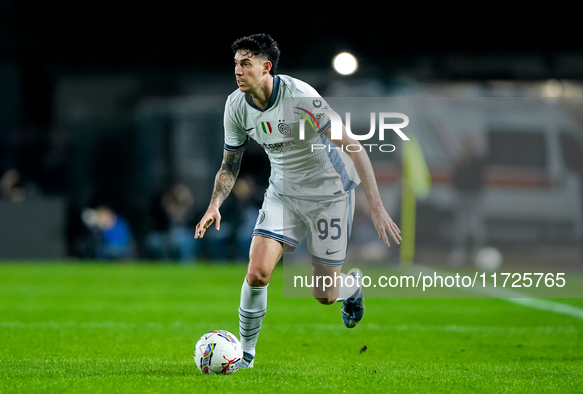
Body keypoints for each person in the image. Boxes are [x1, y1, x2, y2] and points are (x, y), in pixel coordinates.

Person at [194, 33, 401, 368]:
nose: (238, 70)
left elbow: (354, 146)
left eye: (245, 64)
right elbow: (229, 164)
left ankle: (351, 288)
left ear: (266, 67)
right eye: (235, 64)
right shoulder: (235, 106)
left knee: (324, 295)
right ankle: (246, 354)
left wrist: (376, 206)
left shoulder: (302, 97)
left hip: (329, 196)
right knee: (257, 273)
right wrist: (214, 203)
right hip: (283, 195)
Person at [449, 135, 488, 266]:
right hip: (461, 195)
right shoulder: (459, 160)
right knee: (460, 225)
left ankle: (478, 252)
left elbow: (479, 176)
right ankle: (459, 252)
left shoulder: (478, 160)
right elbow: (455, 178)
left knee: (476, 225)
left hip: (475, 196)